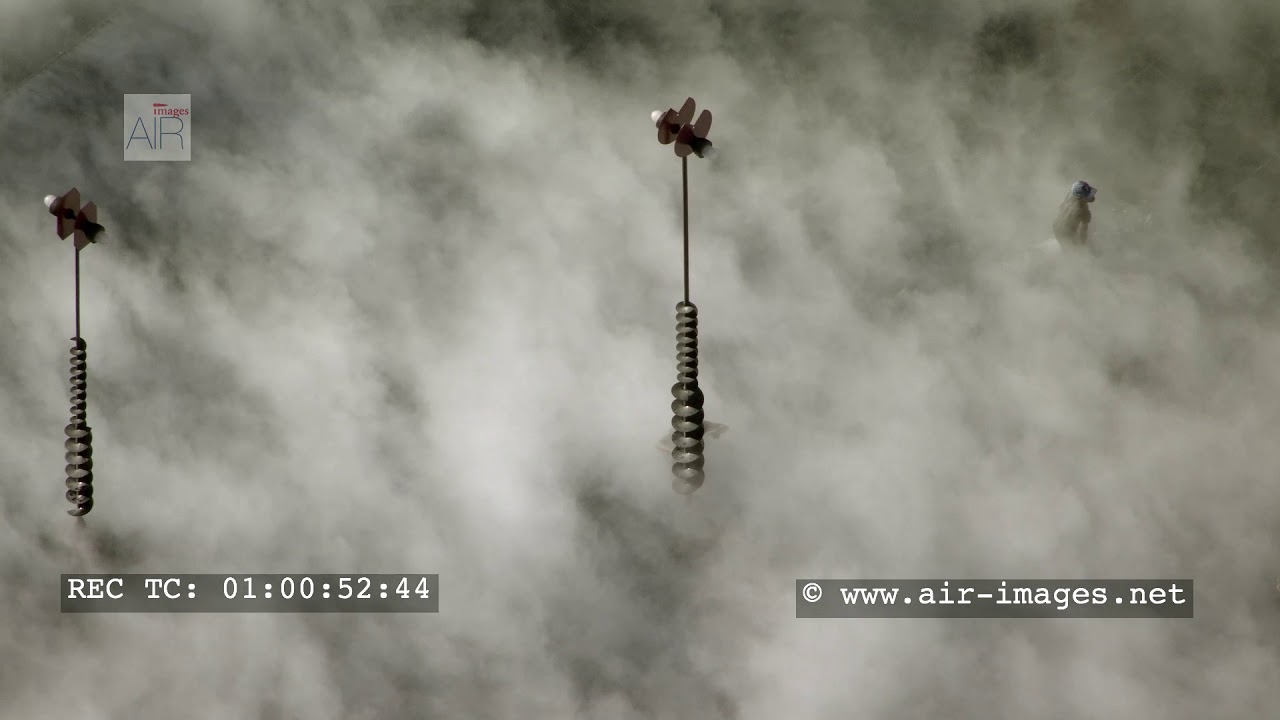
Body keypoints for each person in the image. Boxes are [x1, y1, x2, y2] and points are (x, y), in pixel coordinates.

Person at [1052, 180, 1097, 249]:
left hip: (1056, 224)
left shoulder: (1072, 195)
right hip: (1065, 232)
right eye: (1088, 195)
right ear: (1081, 198)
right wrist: (1083, 247)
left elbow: (1061, 206)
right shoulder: (1082, 210)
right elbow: (1083, 231)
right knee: (1072, 249)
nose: (1092, 196)